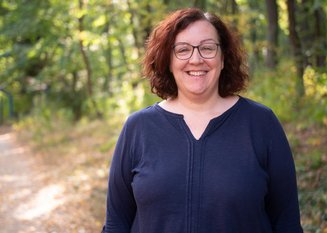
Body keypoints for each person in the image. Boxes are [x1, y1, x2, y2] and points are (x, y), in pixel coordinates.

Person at [102, 8, 303, 233]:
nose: (196, 59)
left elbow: (287, 223)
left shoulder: (261, 124)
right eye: (183, 50)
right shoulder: (138, 128)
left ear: (223, 57)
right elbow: (116, 224)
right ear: (167, 59)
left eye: (207, 48)